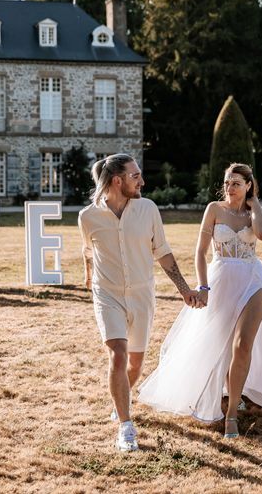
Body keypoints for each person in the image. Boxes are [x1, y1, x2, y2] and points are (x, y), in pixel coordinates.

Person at [136, 163, 262, 438]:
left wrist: (254, 203)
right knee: (221, 344)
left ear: (248, 185)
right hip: (220, 278)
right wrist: (203, 286)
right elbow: (200, 252)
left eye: (236, 183)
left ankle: (232, 413)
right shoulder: (214, 209)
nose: (229, 188)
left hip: (253, 279)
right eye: (226, 183)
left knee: (243, 344)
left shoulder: (257, 213)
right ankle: (233, 390)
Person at [78, 153, 201, 452]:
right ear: (117, 180)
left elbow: (163, 252)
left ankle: (120, 398)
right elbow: (87, 250)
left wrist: (184, 288)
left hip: (142, 295)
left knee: (135, 363)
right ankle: (125, 426)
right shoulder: (88, 216)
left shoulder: (148, 209)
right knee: (118, 356)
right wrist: (88, 277)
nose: (142, 181)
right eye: (136, 176)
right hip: (107, 295)